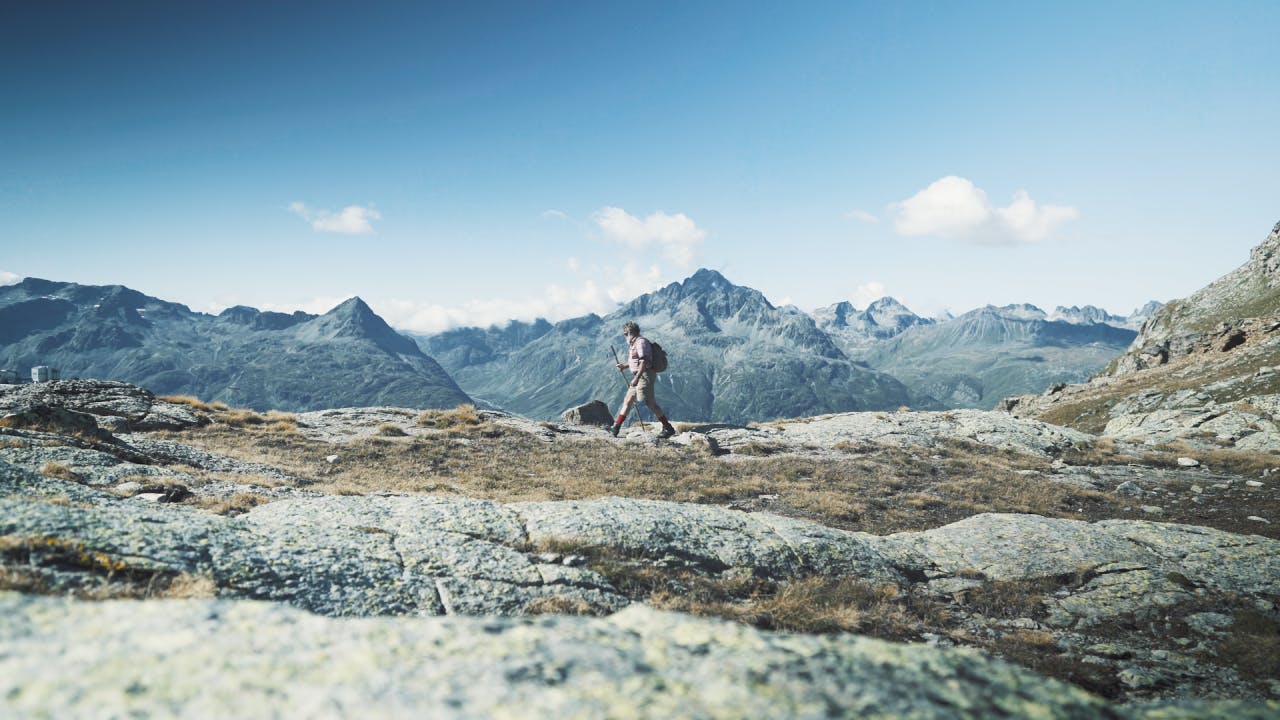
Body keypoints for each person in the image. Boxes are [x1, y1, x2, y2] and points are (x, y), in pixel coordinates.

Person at [611, 321, 677, 438]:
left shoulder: (641, 342)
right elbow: (636, 361)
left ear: (630, 332)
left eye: (625, 334)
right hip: (640, 375)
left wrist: (636, 378)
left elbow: (644, 361)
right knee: (628, 400)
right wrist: (624, 366)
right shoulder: (634, 343)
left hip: (645, 375)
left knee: (650, 403)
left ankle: (668, 428)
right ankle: (616, 427)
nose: (625, 336)